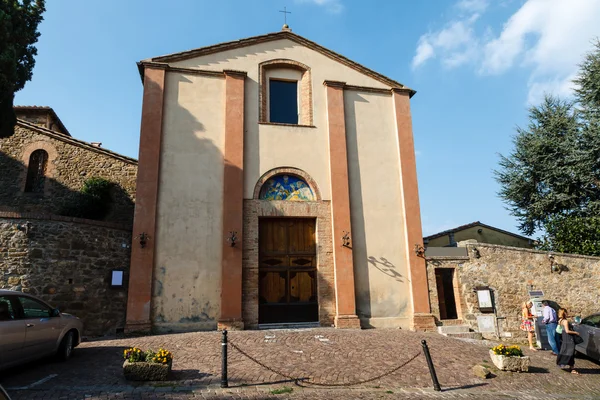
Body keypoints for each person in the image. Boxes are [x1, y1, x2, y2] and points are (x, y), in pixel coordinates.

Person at [556, 308, 581, 374]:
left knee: (566, 350)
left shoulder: (560, 320)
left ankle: (567, 365)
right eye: (566, 312)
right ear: (565, 313)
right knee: (571, 352)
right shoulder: (565, 321)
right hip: (569, 338)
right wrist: (575, 332)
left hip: (564, 338)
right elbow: (567, 331)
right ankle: (572, 368)